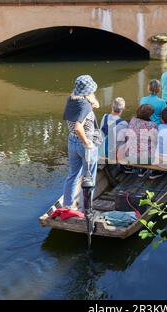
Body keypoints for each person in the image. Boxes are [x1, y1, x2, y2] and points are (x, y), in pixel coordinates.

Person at [63, 75, 103, 211]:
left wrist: (93, 103)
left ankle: (67, 205)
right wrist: (87, 143)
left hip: (72, 141)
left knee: (72, 175)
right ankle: (86, 209)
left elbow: (79, 115)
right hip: (84, 144)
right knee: (88, 179)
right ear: (88, 91)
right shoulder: (85, 105)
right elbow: (78, 127)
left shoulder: (71, 99)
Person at [126, 104, 158, 177]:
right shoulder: (152, 125)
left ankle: (141, 170)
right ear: (149, 115)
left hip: (131, 157)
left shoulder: (132, 120)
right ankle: (152, 170)